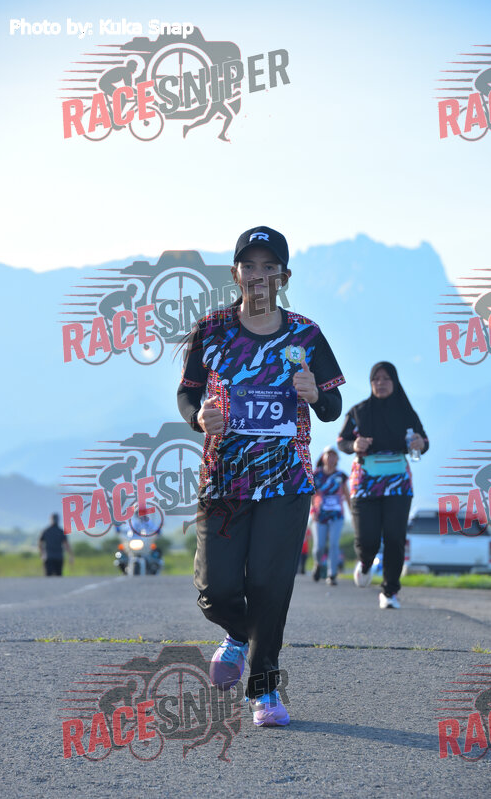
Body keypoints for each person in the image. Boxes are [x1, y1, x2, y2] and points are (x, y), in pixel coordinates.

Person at [177, 226, 345, 726]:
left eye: (269, 267)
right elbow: (187, 393)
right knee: (216, 590)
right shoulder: (211, 330)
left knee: (271, 588)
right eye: (248, 265)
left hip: (286, 480)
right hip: (223, 478)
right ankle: (236, 633)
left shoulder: (306, 334)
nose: (258, 275)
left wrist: (316, 394)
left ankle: (265, 690)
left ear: (284, 277)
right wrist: (198, 417)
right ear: (235, 274)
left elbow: (333, 406)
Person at [337, 362, 428, 609]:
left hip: (398, 481)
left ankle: (390, 592)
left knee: (395, 537)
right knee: (368, 539)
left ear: (395, 382)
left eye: (386, 378)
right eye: (376, 378)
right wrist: (354, 445)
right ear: (370, 383)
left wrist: (420, 443)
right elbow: (342, 441)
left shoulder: (407, 413)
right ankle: (366, 562)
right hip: (365, 480)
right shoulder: (358, 411)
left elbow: (424, 440)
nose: (381, 383)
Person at [311, 446, 349, 586]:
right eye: (328, 455)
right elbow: (311, 494)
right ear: (323, 457)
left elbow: (346, 494)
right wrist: (312, 510)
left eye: (334, 456)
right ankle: (318, 564)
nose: (331, 458)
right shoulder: (315, 475)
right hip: (319, 515)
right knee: (319, 546)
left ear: (337, 459)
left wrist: (353, 512)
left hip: (336, 515)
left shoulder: (341, 476)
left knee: (334, 544)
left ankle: (332, 574)